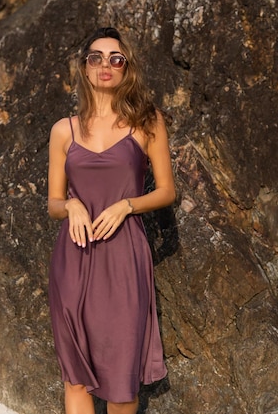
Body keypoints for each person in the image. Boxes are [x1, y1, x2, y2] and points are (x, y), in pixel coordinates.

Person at [47, 27, 175, 414]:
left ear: (126, 68)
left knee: (122, 384)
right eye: (96, 58)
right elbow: (53, 201)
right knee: (76, 378)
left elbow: (167, 191)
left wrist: (127, 206)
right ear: (85, 69)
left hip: (123, 257)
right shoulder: (62, 130)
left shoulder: (147, 122)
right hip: (73, 258)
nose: (106, 65)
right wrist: (71, 206)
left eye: (115, 59)